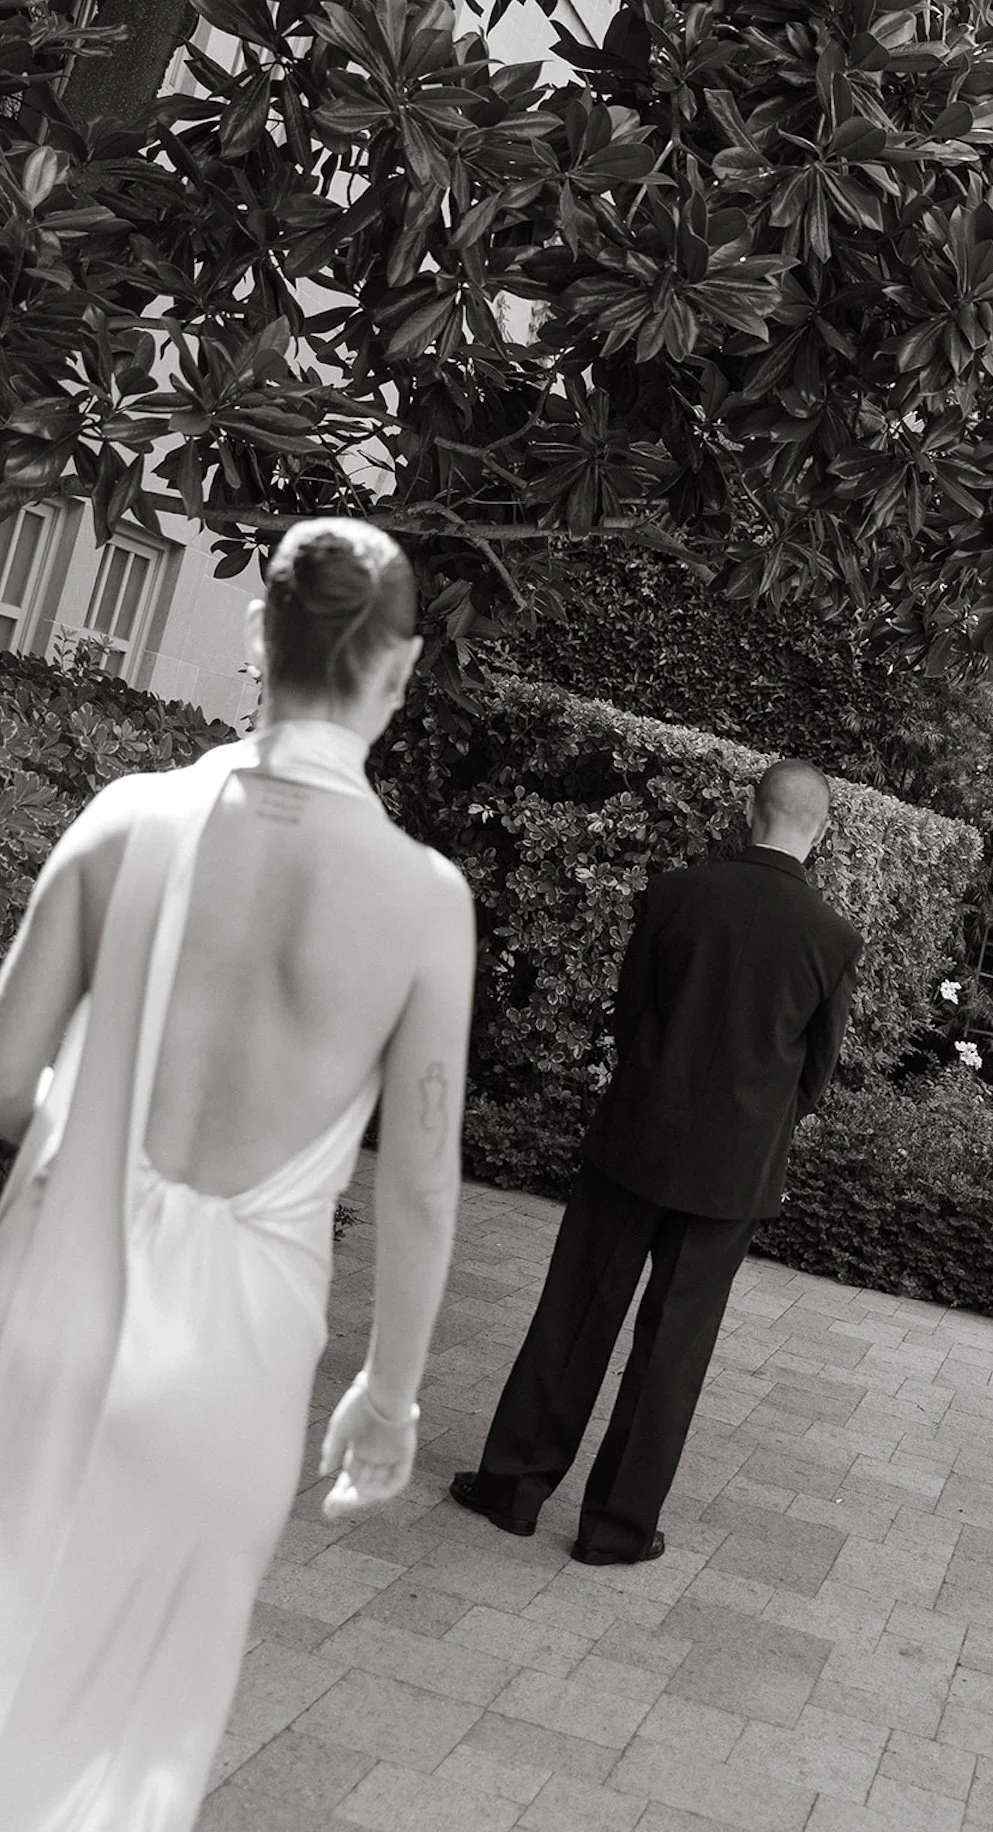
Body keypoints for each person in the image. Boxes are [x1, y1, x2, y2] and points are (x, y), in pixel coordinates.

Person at [0, 518, 475, 1831]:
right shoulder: (425, 900)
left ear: (261, 642)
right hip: (235, 1366)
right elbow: (422, 1184)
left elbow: (0, 1077)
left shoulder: (123, 819)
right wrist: (389, 1399)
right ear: (401, 668)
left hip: (50, 1305)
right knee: (135, 1728)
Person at [451, 759, 862, 1566]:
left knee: (575, 1314)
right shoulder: (833, 939)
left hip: (636, 1141)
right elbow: (814, 1076)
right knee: (675, 1349)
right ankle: (617, 1530)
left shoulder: (678, 894)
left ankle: (512, 1489)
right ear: (819, 829)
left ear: (753, 810)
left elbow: (630, 1013)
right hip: (732, 1175)